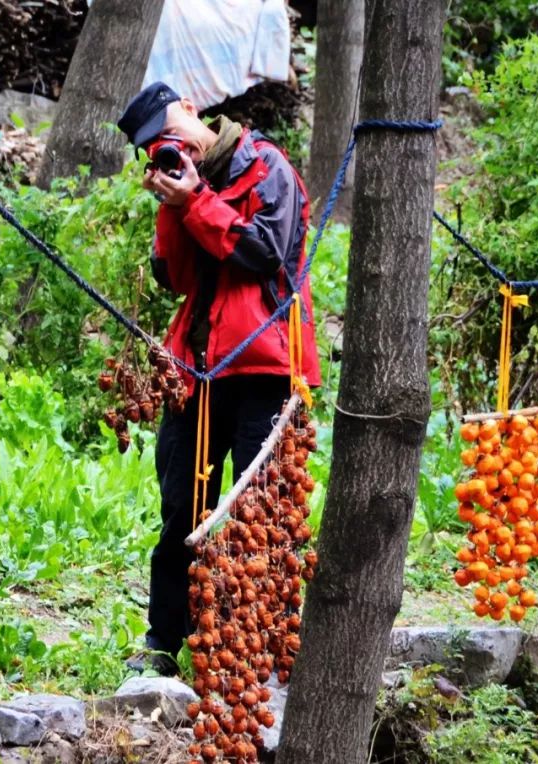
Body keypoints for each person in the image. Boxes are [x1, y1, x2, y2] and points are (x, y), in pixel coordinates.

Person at [116, 81, 321, 676]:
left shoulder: (266, 165)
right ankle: (163, 644)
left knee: (264, 510)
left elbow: (264, 253)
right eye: (155, 149)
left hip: (266, 367)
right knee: (184, 508)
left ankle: (265, 644)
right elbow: (174, 279)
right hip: (198, 369)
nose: (168, 150)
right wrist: (172, 208)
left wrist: (198, 199)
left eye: (168, 138)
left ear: (188, 110)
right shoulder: (179, 190)